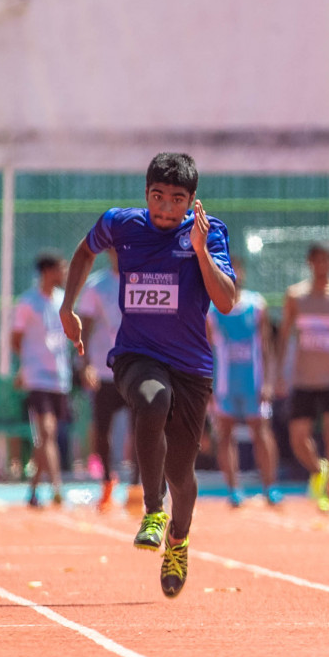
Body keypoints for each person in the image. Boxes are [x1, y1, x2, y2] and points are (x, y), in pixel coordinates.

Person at [60, 152, 238, 598]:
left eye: (176, 200)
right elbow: (85, 250)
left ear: (191, 202)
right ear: (146, 193)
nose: (164, 208)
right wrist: (67, 305)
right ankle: (153, 511)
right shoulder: (122, 224)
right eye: (157, 196)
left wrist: (199, 250)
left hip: (192, 366)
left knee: (182, 471)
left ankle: (178, 539)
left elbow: (227, 301)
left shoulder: (209, 232)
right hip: (136, 355)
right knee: (151, 399)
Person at [277, 243, 329, 512]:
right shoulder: (295, 296)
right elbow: (285, 335)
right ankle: (318, 471)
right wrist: (278, 373)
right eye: (317, 261)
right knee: (298, 436)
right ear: (310, 263)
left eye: (326, 260)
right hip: (303, 378)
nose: (321, 265)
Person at [208, 263, 280, 506]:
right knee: (225, 435)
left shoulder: (256, 305)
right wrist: (208, 385)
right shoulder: (211, 310)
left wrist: (269, 381)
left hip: (253, 382)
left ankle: (270, 487)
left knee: (261, 432)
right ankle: (234, 490)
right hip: (224, 384)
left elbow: (267, 346)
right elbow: (207, 349)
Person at [14, 252, 72, 509]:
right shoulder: (27, 303)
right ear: (48, 271)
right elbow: (15, 338)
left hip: (60, 377)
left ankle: (34, 489)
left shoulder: (63, 301)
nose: (65, 273)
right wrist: (26, 364)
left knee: (48, 437)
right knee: (47, 431)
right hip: (37, 377)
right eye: (61, 268)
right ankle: (57, 487)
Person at [76, 248, 127, 509]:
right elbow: (84, 326)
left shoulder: (144, 279)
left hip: (135, 369)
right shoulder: (97, 286)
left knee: (146, 428)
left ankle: (141, 486)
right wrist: (85, 365)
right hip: (104, 370)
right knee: (101, 429)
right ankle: (107, 480)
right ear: (109, 252)